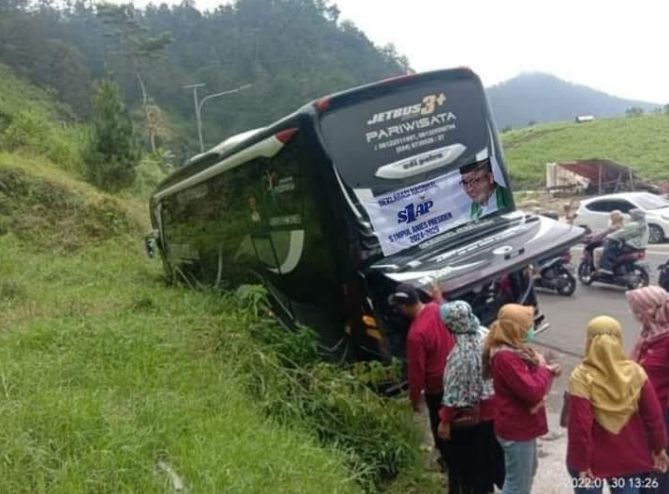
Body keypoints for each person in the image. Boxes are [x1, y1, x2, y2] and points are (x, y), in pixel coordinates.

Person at [566, 315, 669, 494]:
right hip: (628, 457)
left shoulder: (581, 377)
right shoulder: (636, 373)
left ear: (589, 341)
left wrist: (581, 463)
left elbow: (579, 427)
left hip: (591, 461)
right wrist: (659, 448)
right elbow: (654, 417)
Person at [482, 303, 560, 494]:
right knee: (518, 485)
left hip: (522, 425)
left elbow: (530, 382)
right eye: (528, 326)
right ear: (516, 329)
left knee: (527, 472)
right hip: (516, 427)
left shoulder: (514, 350)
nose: (531, 330)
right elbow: (532, 391)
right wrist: (544, 369)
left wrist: (544, 370)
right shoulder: (505, 358)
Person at [437, 301, 505, 494]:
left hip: (473, 418)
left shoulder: (460, 355)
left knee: (472, 466)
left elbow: (455, 395)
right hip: (495, 411)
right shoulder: (485, 334)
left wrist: (444, 420)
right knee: (492, 459)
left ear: (450, 325)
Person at [387, 283, 455, 460]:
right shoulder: (435, 308)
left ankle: (446, 459)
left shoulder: (415, 334)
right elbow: (445, 306)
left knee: (439, 422)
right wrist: (438, 296)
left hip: (437, 387)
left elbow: (416, 372)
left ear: (403, 306)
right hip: (454, 374)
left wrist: (415, 399)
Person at [627, 287, 669, 493]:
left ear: (652, 310)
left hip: (662, 416)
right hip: (645, 414)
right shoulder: (650, 334)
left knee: (659, 475)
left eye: (638, 311)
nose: (636, 317)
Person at [599, 208, 648, 273]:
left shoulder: (633, 225)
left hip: (631, 246)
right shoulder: (645, 225)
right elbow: (629, 234)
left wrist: (609, 236)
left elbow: (620, 233)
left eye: (632, 215)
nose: (630, 217)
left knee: (609, 251)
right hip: (641, 247)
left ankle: (607, 268)